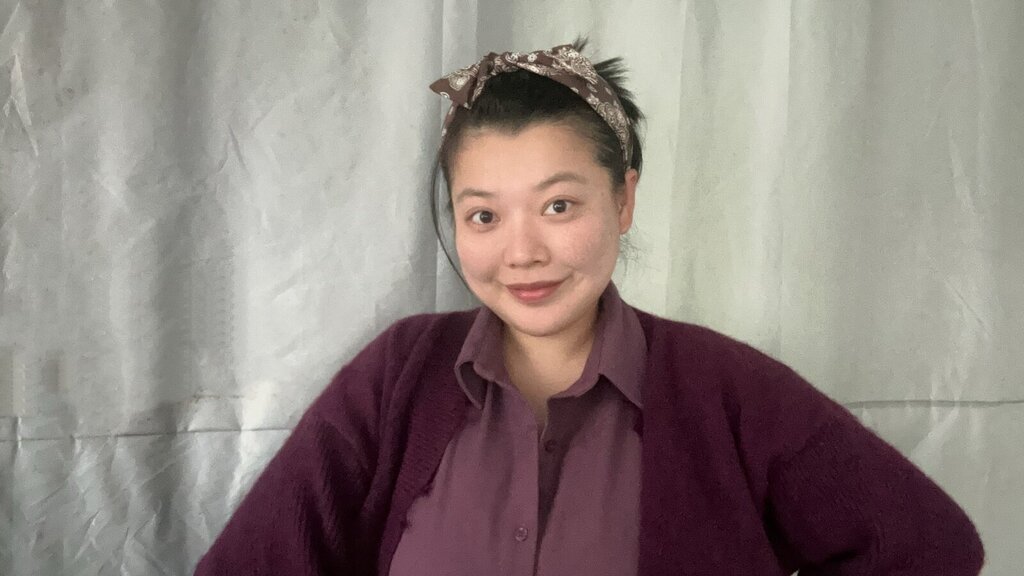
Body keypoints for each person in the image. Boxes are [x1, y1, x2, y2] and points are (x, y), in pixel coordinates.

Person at [195, 40, 984, 575]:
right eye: (483, 215)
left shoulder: (727, 390)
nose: (522, 252)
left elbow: (928, 547)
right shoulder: (397, 377)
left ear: (623, 199)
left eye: (559, 206)